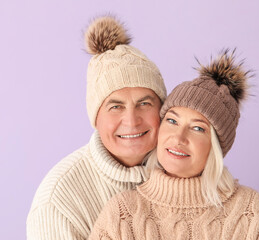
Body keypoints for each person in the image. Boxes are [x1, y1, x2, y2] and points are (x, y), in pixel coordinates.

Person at [89, 49, 259, 239]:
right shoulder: (122, 213)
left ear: (215, 146)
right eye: (172, 121)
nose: (178, 138)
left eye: (198, 128)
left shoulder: (249, 211)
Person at [26, 16, 167, 239]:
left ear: (162, 110)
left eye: (144, 103)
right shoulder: (58, 202)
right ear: (96, 117)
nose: (132, 120)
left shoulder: (184, 170)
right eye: (116, 106)